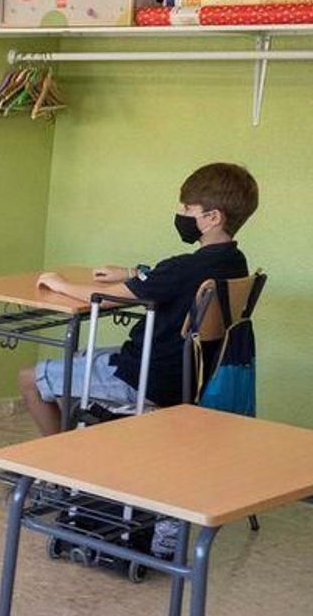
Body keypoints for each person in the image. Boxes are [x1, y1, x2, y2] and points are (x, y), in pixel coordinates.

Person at [18, 162, 258, 437]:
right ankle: (87, 449)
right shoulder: (235, 262)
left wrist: (61, 284)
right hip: (188, 378)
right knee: (80, 357)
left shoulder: (182, 268)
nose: (180, 214)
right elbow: (164, 281)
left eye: (187, 209)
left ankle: (58, 469)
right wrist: (132, 273)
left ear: (213, 217)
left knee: (30, 379)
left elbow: (106, 299)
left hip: (144, 377)